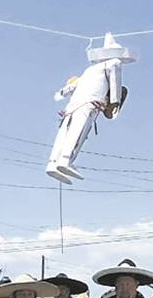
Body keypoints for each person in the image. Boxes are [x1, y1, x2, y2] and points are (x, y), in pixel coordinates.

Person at [46, 32, 134, 184]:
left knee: (64, 133)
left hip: (72, 105)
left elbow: (69, 88)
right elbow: (115, 85)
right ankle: (65, 161)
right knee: (78, 133)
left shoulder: (88, 70)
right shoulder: (114, 63)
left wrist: (59, 94)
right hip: (90, 104)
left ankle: (53, 162)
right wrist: (113, 103)